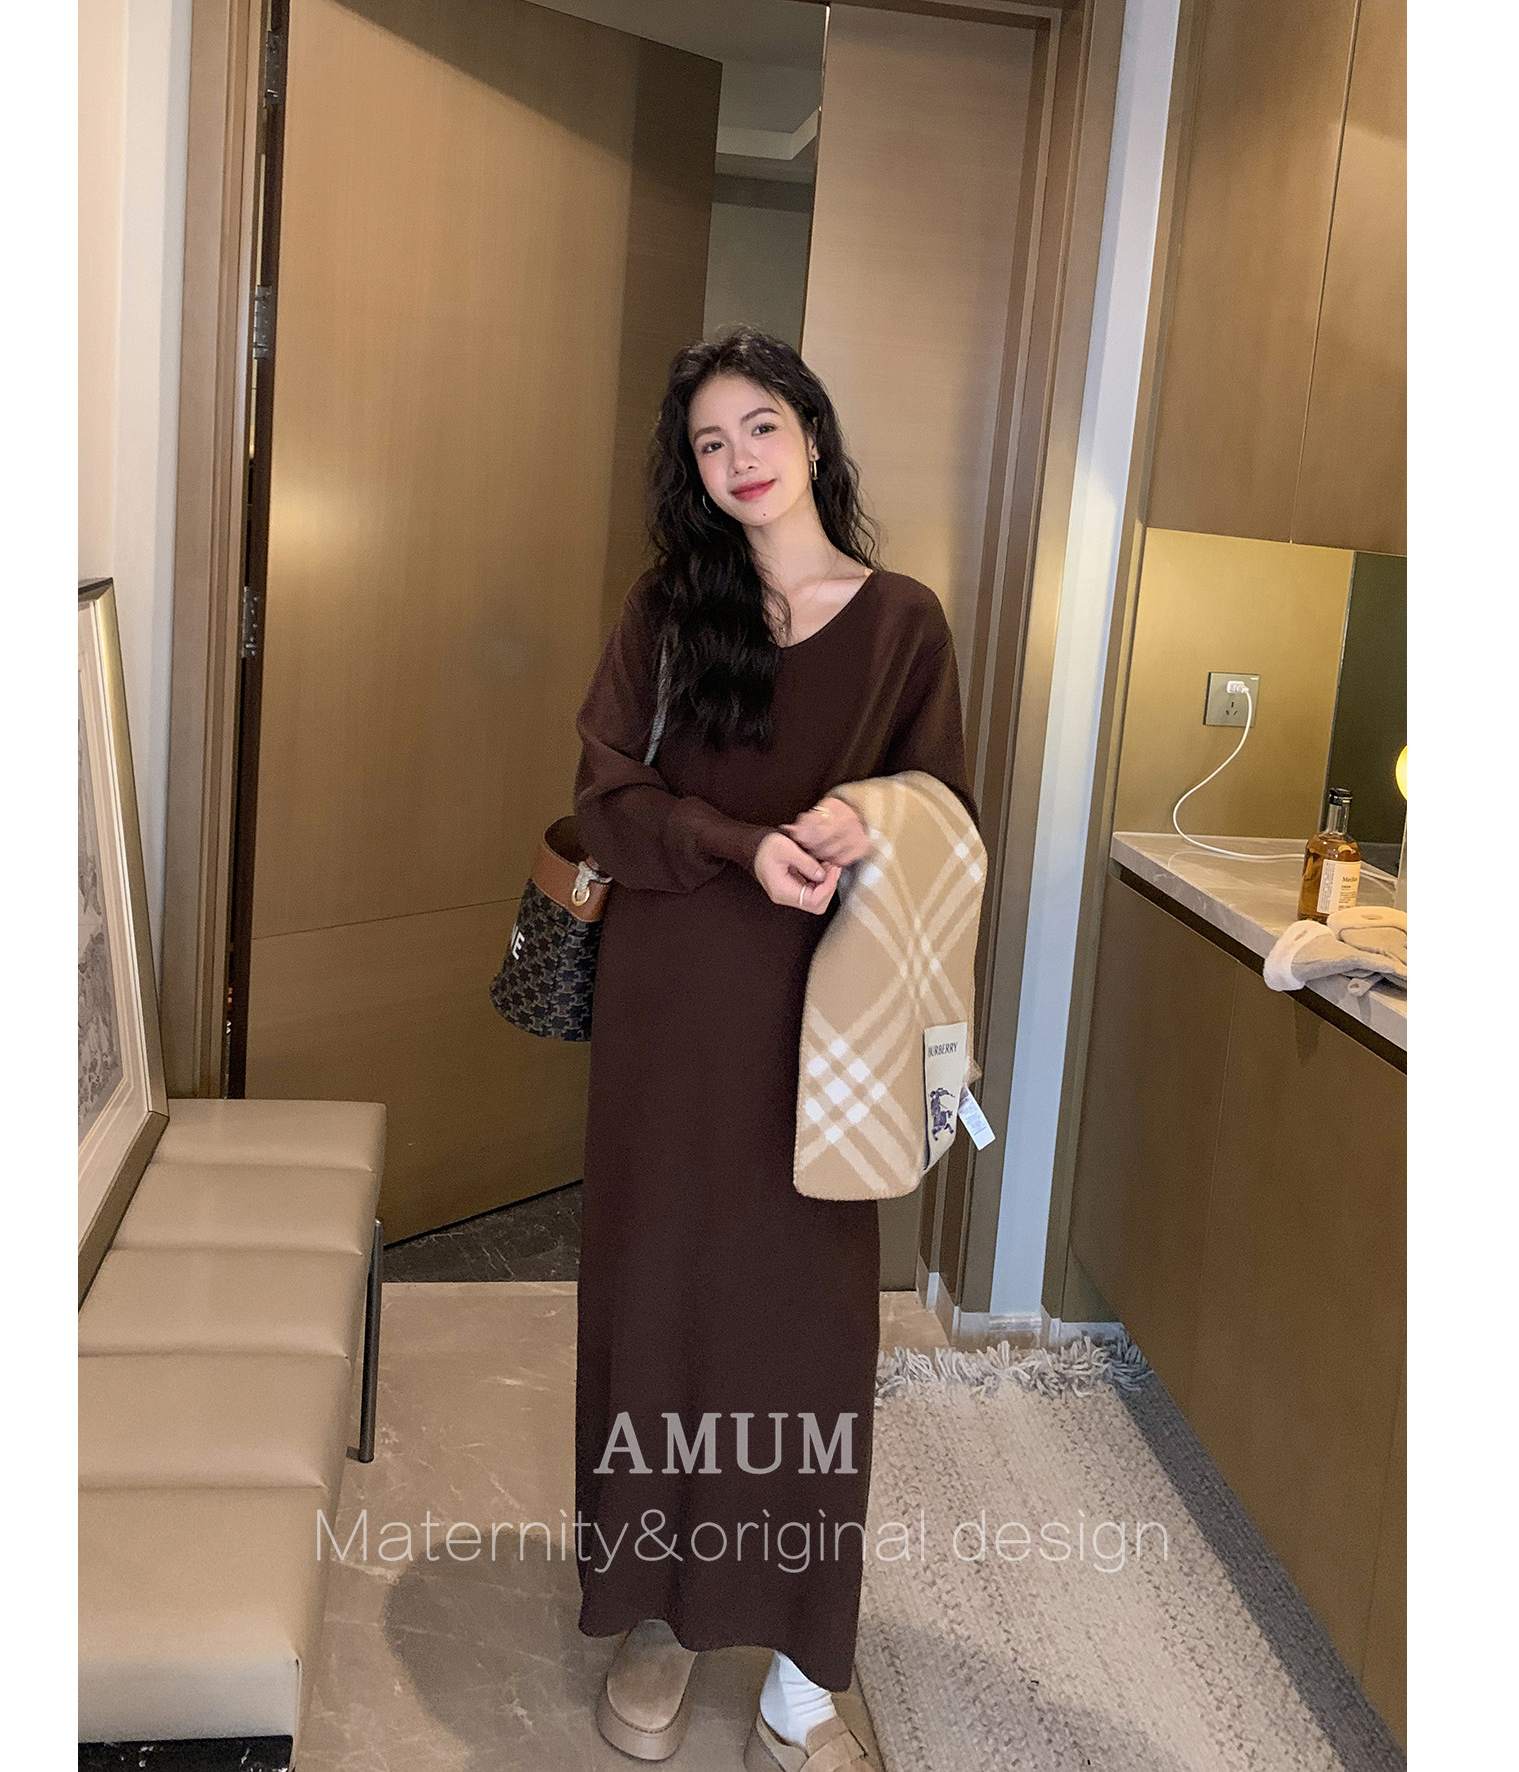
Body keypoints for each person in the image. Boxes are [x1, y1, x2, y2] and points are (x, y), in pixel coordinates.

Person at [571, 327, 980, 1770]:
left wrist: (876, 815)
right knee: (661, 1304)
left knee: (805, 1338)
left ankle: (806, 1664)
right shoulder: (670, 611)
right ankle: (661, 1614)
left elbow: (949, 811)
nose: (740, 460)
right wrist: (738, 844)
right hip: (670, 1013)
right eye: (710, 444)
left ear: (811, 431)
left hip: (830, 1027)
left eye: (761, 427)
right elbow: (602, 795)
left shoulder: (905, 622)